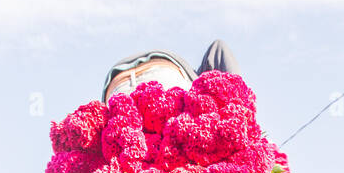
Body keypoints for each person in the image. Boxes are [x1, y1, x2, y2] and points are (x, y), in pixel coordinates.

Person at [101, 43, 240, 101]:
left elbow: (218, 47)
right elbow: (221, 49)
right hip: (164, 75)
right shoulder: (197, 86)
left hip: (117, 84)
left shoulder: (198, 78)